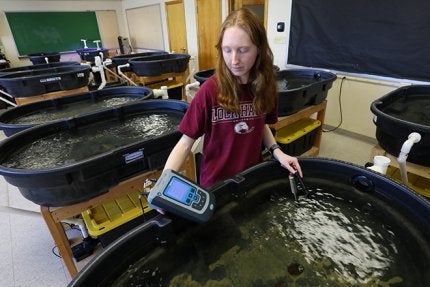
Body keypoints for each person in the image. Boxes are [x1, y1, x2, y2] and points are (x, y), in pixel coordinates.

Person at [163, 8, 302, 188]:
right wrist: (164, 184)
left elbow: (260, 123)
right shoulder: (210, 90)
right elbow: (184, 144)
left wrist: (277, 151)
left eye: (243, 50)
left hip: (252, 177)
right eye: (227, 50)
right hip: (216, 185)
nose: (234, 60)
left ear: (259, 49)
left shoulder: (265, 86)